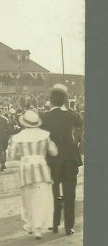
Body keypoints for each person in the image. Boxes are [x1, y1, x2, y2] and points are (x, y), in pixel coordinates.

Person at [41, 84, 83, 236]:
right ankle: (69, 226)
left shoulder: (44, 116)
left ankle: (54, 223)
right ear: (64, 101)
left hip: (52, 159)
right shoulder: (71, 115)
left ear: (50, 102)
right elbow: (80, 124)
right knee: (70, 192)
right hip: (70, 157)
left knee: (53, 192)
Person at [9, 109, 58, 239]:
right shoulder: (45, 135)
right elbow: (53, 152)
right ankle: (38, 228)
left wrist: (24, 157)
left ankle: (30, 224)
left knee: (27, 199)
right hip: (41, 170)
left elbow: (13, 155)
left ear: (24, 123)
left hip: (25, 170)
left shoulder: (18, 137)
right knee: (40, 198)